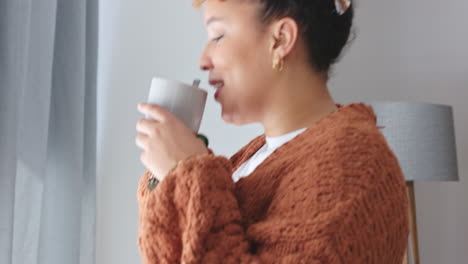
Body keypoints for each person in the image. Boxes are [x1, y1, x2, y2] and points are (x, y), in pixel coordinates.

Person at [134, 0, 409, 263]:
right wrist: (171, 176)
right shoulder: (263, 155)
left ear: (280, 40)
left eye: (217, 36)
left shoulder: (351, 164)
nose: (203, 60)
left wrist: (187, 173)